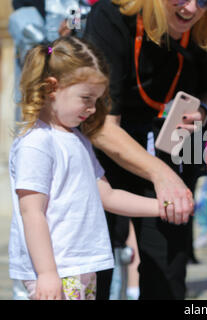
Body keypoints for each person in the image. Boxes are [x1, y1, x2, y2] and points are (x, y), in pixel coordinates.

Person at [8, 36, 183, 300]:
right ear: (52, 87)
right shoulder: (37, 143)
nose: (92, 109)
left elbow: (107, 196)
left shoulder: (77, 140)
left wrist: (161, 207)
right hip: (58, 269)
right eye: (86, 98)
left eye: (97, 100)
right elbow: (32, 213)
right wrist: (46, 273)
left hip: (81, 266)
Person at [83, 0, 207, 299]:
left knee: (166, 272)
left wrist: (202, 111)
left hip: (172, 147)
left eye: (205, 0)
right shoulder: (112, 16)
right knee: (93, 265)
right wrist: (160, 174)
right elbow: (100, 125)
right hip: (109, 145)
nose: (191, 9)